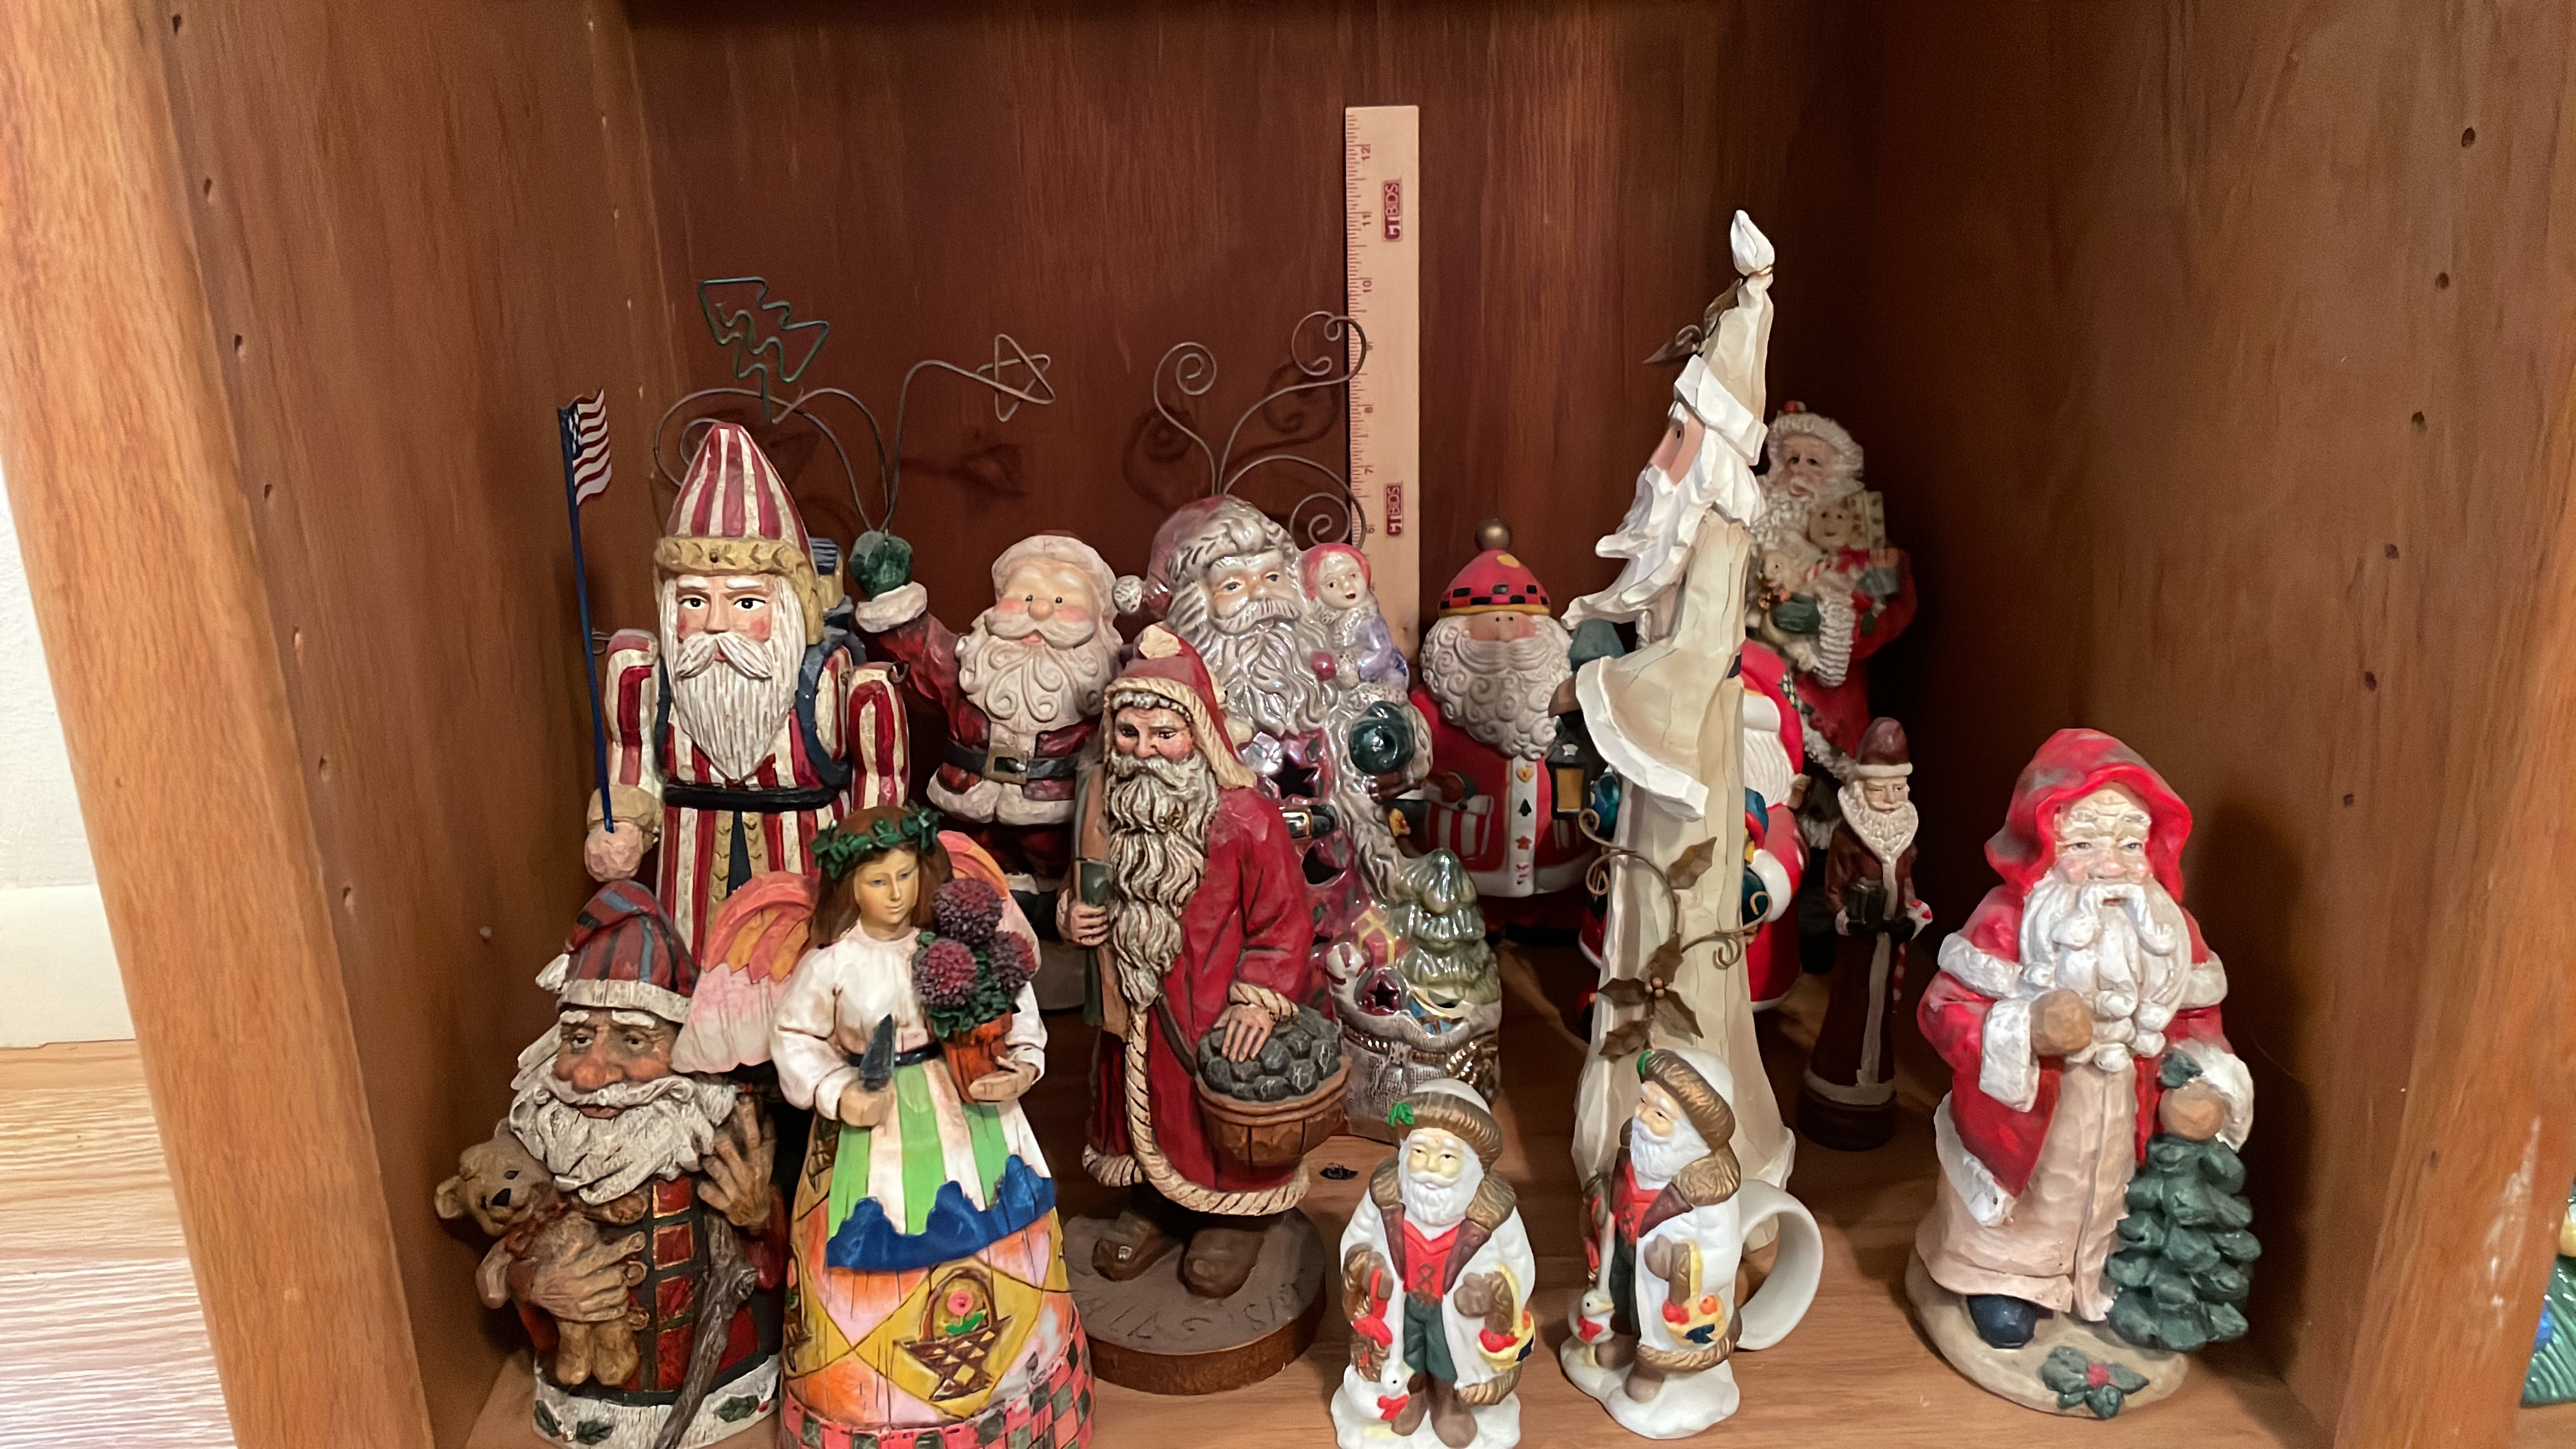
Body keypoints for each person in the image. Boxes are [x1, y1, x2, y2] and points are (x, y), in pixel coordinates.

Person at [1916, 729, 2252, 1350]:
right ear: (2046, 847)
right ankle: (2007, 1281)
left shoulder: (2169, 932)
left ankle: (2104, 1280)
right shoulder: (2007, 923)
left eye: (2129, 844)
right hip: (2029, 1118)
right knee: (2033, 1201)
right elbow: (1945, 1010)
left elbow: (2198, 1023)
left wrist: (2204, 1087)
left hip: (2128, 1108)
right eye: (2084, 844)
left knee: (2113, 1197)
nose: (2110, 865)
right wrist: (2027, 1030)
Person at [765, 804, 1089, 1447]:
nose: (895, 894)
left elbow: (1012, 997)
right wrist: (837, 1091)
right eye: (877, 881)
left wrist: (1021, 1062)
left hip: (969, 1112)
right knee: (875, 1249)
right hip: (875, 1131)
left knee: (1000, 1229)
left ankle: (1019, 1392)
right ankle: (877, 1409)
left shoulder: (951, 946)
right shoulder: (831, 967)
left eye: (905, 875)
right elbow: (795, 1037)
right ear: (849, 887)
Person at [1058, 625, 1320, 1298]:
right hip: (1130, 1003)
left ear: (1198, 733)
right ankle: (1155, 1200)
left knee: (1208, 1114)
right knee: (1139, 1106)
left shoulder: (1246, 818)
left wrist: (1258, 997)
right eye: (1129, 733)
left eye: (1163, 734)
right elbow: (1083, 879)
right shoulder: (1105, 806)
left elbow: (1285, 921)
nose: (1143, 750)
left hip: (1208, 1005)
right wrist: (1071, 914)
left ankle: (1228, 1216)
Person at [580, 421, 908, 955]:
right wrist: (618, 829)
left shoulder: (839, 686)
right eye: (694, 602)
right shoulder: (643, 678)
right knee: (695, 979)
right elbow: (631, 768)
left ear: (791, 608)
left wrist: (871, 868)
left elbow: (879, 790)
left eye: (745, 603)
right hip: (689, 889)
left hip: (804, 886)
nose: (715, 625)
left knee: (801, 980)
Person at [496, 881, 785, 1449]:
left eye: (633, 1041)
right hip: (582, 1396)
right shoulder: (540, 1136)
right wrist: (532, 1284)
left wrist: (758, 1219)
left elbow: (781, 1257)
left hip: (717, 1388)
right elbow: (500, 1256)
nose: (590, 1075)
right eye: (580, 1039)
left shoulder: (722, 1131)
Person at [845, 531, 1128, 889]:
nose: (1039, 610)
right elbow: (922, 649)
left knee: (1054, 876)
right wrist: (889, 590)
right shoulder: (970, 664)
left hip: (1055, 814)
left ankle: (1048, 900)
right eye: (1025, 597)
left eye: (1061, 600)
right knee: (969, 868)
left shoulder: (1107, 675)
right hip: (969, 803)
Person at [1334, 1081, 1536, 1449]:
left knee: (1447, 1357)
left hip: (1454, 1312)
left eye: (1446, 1157)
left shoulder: (1495, 1212)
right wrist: (1367, 1267)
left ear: (1474, 1165)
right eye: (1419, 1152)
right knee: (1407, 1352)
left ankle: (1448, 1404)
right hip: (1402, 1301)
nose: (1429, 1169)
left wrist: (1495, 1293)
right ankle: (1410, 1396)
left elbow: (1521, 1263)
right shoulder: (1385, 1195)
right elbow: (1355, 1238)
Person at [1798, 718, 1931, 1150]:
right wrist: (1850, 918)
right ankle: (1837, 1079)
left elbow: (1907, 886)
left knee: (1881, 1015)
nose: (1890, 799)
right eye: (1879, 790)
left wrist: (1910, 917)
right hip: (1858, 946)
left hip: (1887, 944)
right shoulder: (1849, 838)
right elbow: (1833, 890)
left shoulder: (1904, 836)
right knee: (1851, 1009)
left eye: (1898, 788)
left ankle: (1874, 1082)